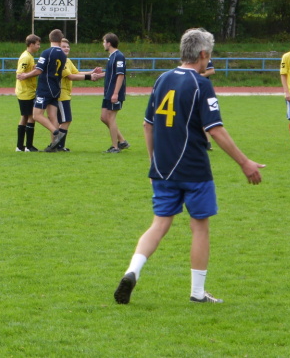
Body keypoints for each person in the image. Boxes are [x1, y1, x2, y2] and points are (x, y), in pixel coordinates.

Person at [113, 28, 264, 305]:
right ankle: (197, 293)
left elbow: (147, 125)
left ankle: (132, 271)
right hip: (194, 168)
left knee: (159, 224)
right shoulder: (201, 84)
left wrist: (153, 164)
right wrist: (245, 162)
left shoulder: (162, 79)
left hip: (163, 168)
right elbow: (215, 129)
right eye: (210, 56)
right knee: (200, 228)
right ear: (203, 54)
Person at [16, 29, 67, 152]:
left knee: (36, 115)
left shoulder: (47, 52)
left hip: (45, 88)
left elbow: (39, 71)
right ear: (60, 40)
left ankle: (57, 133)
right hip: (56, 88)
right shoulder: (62, 54)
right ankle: (54, 145)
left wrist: (25, 75)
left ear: (50, 39)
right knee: (53, 117)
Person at [56, 38, 102, 151]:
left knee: (63, 121)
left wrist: (92, 72)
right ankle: (58, 146)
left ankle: (58, 146)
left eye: (68, 46)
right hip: (61, 94)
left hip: (66, 94)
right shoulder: (60, 61)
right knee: (66, 120)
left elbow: (76, 72)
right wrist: (89, 77)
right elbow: (71, 76)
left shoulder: (67, 60)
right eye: (63, 46)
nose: (66, 48)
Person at [100, 33, 129, 153]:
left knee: (111, 118)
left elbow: (120, 75)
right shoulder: (111, 56)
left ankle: (115, 147)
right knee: (103, 117)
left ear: (109, 43)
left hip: (114, 92)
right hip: (108, 92)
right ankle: (122, 141)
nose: (103, 44)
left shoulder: (119, 56)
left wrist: (116, 93)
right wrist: (99, 75)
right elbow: (111, 73)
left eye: (104, 42)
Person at [15, 34, 41, 152]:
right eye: (37, 44)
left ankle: (20, 146)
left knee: (24, 116)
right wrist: (34, 72)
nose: (39, 46)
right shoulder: (26, 57)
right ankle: (29, 146)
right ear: (31, 44)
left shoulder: (29, 56)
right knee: (31, 116)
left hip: (25, 91)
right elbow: (20, 74)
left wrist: (32, 69)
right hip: (26, 92)